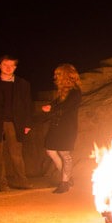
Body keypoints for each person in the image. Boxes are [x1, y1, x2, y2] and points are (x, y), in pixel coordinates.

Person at [0, 54, 33, 191]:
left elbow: (27, 104)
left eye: (11, 65)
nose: (8, 68)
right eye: (5, 65)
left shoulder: (23, 84)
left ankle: (22, 182)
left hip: (15, 123)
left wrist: (27, 124)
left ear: (15, 67)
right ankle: (1, 184)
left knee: (16, 154)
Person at [41, 63, 82, 194]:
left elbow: (66, 107)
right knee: (50, 150)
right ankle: (67, 177)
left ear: (66, 76)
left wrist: (51, 108)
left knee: (65, 154)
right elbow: (57, 103)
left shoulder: (75, 92)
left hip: (67, 128)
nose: (55, 77)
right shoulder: (63, 92)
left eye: (58, 74)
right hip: (57, 126)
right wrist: (50, 106)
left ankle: (64, 182)